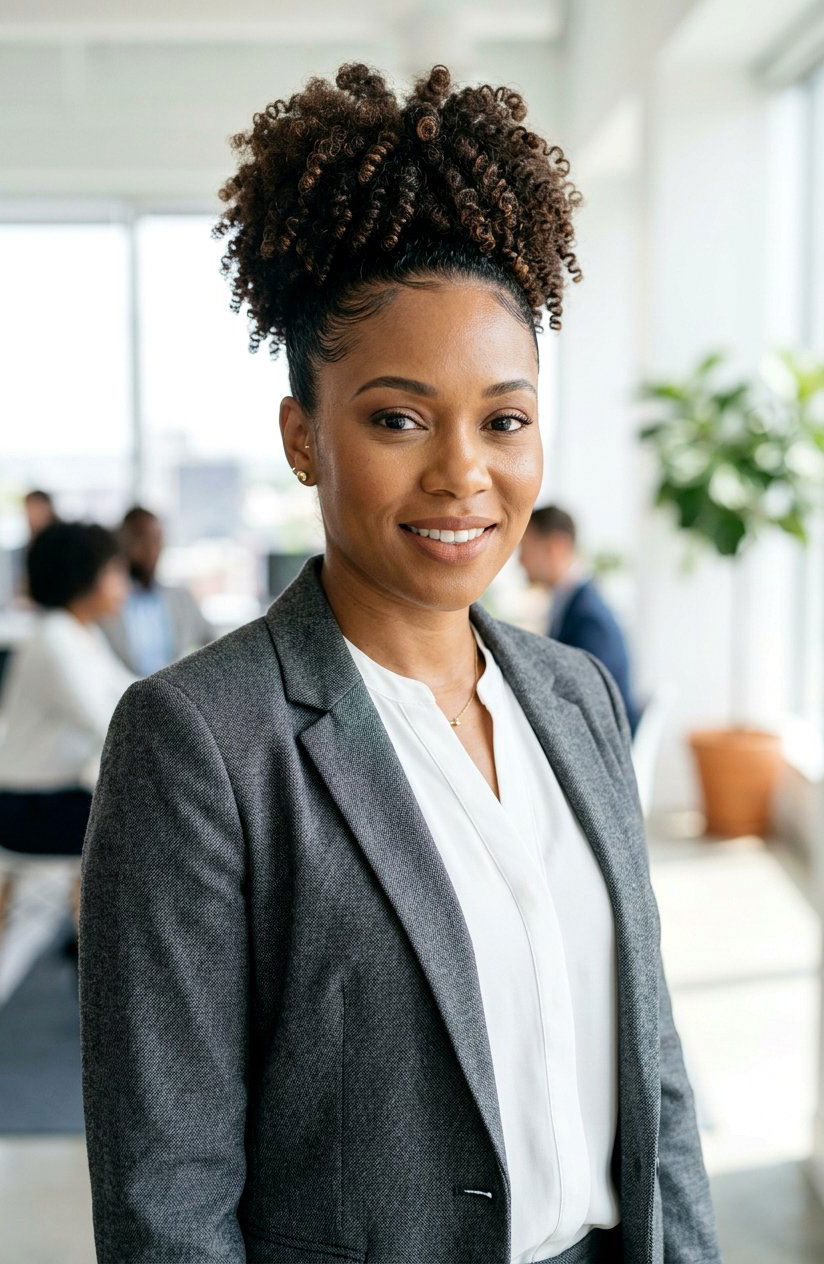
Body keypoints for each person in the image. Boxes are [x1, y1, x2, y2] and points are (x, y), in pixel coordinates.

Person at [79, 65, 721, 1264]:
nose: (462, 473)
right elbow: (167, 1200)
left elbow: (654, 1083)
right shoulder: (200, 742)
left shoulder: (573, 696)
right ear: (300, 438)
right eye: (396, 417)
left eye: (503, 418)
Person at [0, 521, 136, 860]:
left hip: (54, 795)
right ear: (86, 575)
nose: (124, 584)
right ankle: (98, 914)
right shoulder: (55, 638)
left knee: (149, 816)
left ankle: (92, 913)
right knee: (150, 823)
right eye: (115, 571)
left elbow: (136, 696)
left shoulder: (83, 632)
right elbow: (110, 721)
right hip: (21, 806)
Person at [519, 506, 642, 737]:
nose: (520, 561)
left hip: (604, 738)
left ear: (555, 547)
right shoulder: (572, 602)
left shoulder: (588, 617)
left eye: (525, 548)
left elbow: (581, 700)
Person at [99, 505, 214, 676]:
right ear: (122, 542)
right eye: (140, 538)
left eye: (156, 539)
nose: (150, 548)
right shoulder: (104, 603)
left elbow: (214, 644)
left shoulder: (181, 598)